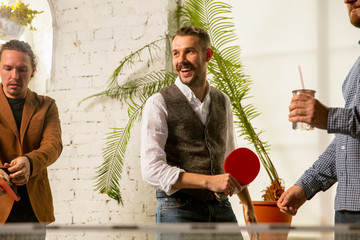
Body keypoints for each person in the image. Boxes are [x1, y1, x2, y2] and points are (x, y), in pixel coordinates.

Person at [140, 26, 257, 239]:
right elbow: (151, 169)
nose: (181, 60)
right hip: (179, 209)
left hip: (221, 207)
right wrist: (208, 181)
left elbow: (230, 157)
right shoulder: (158, 103)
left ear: (207, 55)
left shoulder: (222, 100)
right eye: (176, 53)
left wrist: (248, 205)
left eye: (189, 52)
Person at [277, 0, 360, 230]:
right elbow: (347, 142)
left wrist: (328, 117)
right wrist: (306, 186)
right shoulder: (357, 66)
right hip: (348, 210)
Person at [0, 40, 62, 238]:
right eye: (8, 68)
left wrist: (30, 162)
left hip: (33, 213)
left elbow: (53, 145)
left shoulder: (47, 105)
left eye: (22, 69)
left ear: (33, 70)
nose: (14, 76)